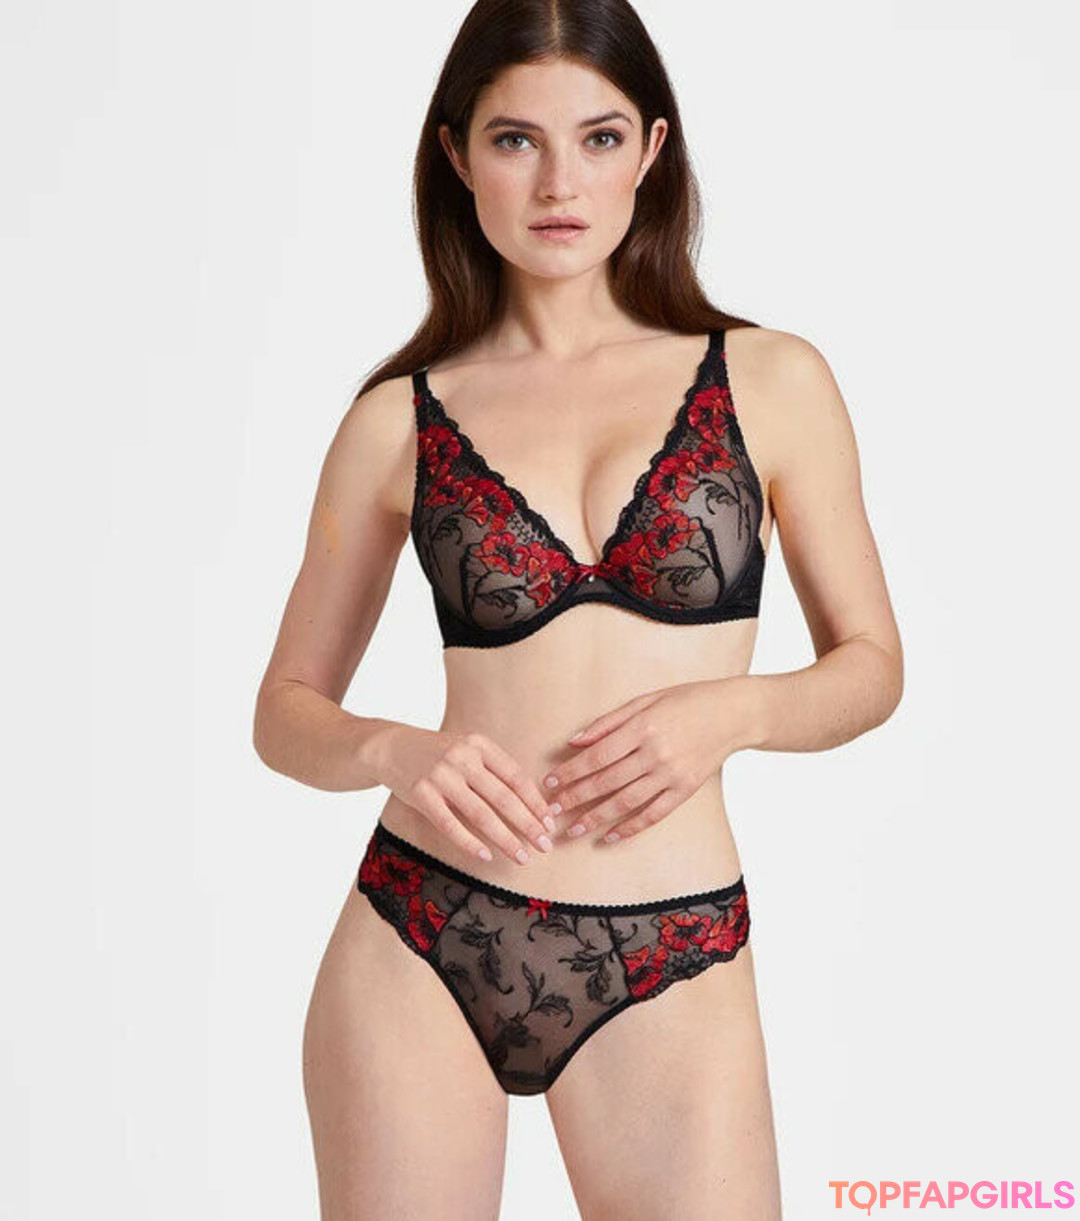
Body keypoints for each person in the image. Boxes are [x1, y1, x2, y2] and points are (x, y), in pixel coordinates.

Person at [253, 1, 903, 1216]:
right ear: (457, 156)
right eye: (516, 140)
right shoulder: (397, 421)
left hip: (671, 942)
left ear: (650, 150)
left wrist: (733, 715)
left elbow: (871, 665)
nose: (559, 183)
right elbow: (284, 712)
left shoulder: (772, 380)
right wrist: (395, 751)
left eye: (598, 138)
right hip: (422, 926)